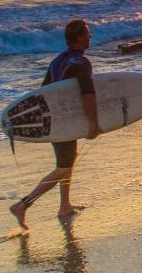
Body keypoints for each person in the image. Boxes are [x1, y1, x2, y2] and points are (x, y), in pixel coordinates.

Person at [10, 19, 102, 228]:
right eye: (87, 33)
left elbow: (42, 92)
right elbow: (88, 93)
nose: (90, 36)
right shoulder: (81, 63)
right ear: (78, 38)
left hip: (54, 119)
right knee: (63, 167)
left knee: (68, 162)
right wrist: (93, 123)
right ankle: (23, 205)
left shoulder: (58, 61)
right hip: (63, 121)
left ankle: (65, 206)